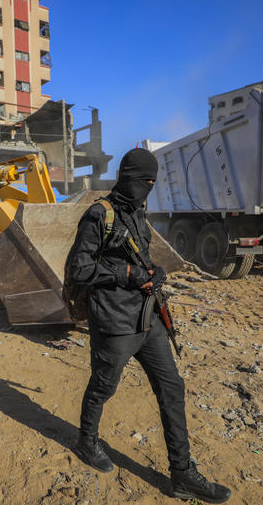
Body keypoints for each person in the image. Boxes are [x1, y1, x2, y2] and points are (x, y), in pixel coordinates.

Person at [67, 147, 231, 503]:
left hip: (148, 317)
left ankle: (182, 474)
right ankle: (86, 441)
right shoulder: (99, 215)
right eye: (144, 182)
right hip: (114, 323)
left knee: (172, 387)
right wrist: (126, 273)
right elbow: (79, 269)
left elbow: (142, 257)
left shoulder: (138, 213)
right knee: (102, 387)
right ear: (128, 178)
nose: (148, 189)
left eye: (153, 183)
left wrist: (155, 271)